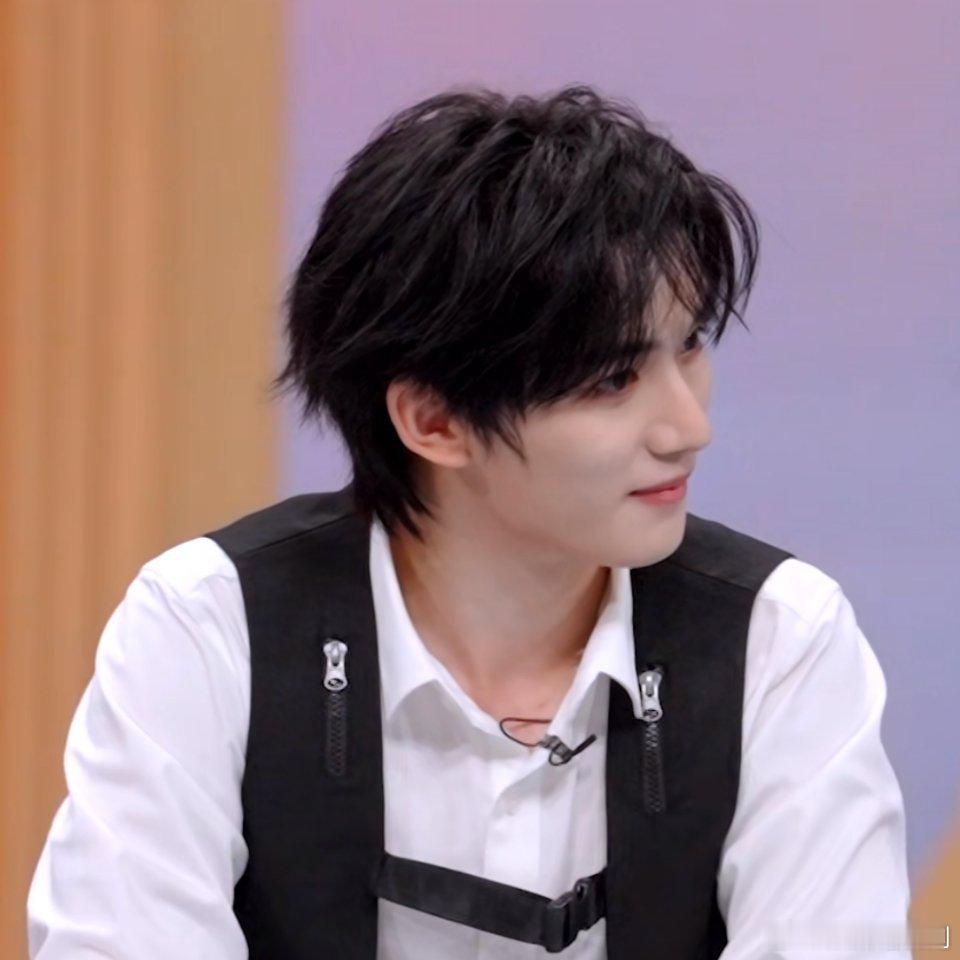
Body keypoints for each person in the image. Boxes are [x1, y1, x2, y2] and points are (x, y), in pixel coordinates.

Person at [27, 84, 912, 958]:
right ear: (435, 421)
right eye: (612, 380)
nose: (688, 428)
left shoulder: (779, 636)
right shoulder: (211, 624)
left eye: (689, 347)